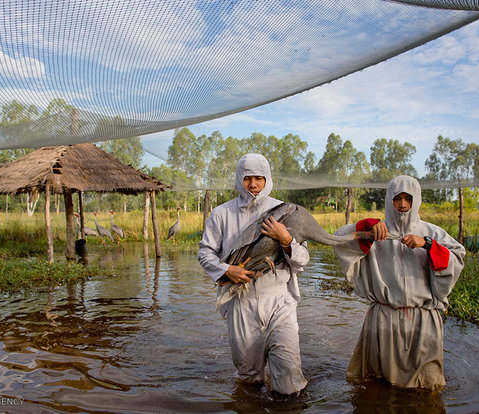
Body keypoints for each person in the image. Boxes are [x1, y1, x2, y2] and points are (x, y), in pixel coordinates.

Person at [332, 175, 465, 389]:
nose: (403, 205)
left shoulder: (431, 233)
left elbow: (456, 258)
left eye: (408, 199)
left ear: (417, 200)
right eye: (397, 198)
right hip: (383, 320)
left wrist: (429, 245)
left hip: (423, 320)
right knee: (376, 385)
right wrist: (366, 229)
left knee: (428, 386)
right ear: (389, 200)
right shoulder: (376, 231)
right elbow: (339, 240)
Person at [197, 153, 309, 395]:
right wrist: (228, 270)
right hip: (241, 303)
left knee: (289, 377)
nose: (254, 184)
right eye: (248, 178)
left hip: (280, 301)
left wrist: (286, 240)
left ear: (267, 179)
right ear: (240, 179)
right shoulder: (221, 214)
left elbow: (302, 260)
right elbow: (205, 253)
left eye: (259, 178)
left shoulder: (285, 212)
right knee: (249, 379)